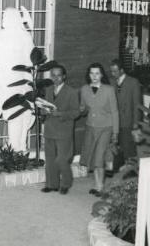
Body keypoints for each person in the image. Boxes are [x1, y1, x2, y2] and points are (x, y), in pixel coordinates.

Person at [0, 7, 35, 151]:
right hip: (2, 79)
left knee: (15, 118)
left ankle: (15, 151)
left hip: (18, 82)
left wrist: (29, 86)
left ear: (13, 19)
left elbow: (31, 63)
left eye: (5, 16)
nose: (3, 19)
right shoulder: (1, 35)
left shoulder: (24, 37)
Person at [80, 63, 119, 196]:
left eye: (97, 73)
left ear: (101, 75)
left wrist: (116, 131)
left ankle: (100, 187)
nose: (94, 76)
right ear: (88, 75)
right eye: (92, 73)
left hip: (106, 127)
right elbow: (83, 108)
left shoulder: (109, 89)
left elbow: (114, 111)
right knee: (93, 157)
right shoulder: (84, 89)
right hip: (91, 126)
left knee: (99, 156)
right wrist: (82, 110)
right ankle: (96, 185)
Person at [41, 64, 80, 195]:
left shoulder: (72, 92)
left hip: (64, 130)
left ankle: (66, 183)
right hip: (49, 129)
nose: (56, 78)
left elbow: (76, 113)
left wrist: (61, 114)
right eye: (53, 75)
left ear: (64, 76)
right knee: (50, 158)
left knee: (62, 159)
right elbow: (45, 107)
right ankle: (52, 184)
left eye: (59, 75)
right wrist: (43, 110)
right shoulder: (48, 90)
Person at [109, 59, 142, 164]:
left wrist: (136, 123)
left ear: (122, 70)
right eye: (111, 71)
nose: (113, 74)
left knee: (129, 147)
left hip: (128, 120)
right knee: (118, 146)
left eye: (115, 71)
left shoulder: (133, 82)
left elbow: (137, 104)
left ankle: (131, 166)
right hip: (115, 121)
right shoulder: (112, 82)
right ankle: (121, 165)